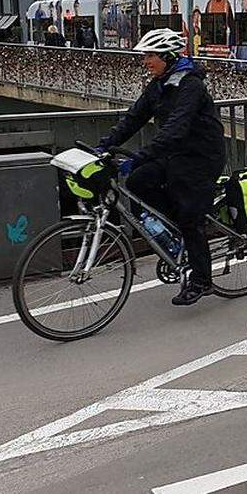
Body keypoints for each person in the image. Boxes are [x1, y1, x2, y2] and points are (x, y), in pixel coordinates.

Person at [96, 28, 227, 306]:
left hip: (201, 156)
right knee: (137, 182)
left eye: (150, 55)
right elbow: (134, 118)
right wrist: (104, 145)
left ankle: (202, 280)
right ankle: (174, 226)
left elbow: (175, 129)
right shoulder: (158, 83)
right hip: (175, 154)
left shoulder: (190, 85)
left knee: (190, 218)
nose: (146, 60)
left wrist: (139, 157)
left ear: (167, 56)